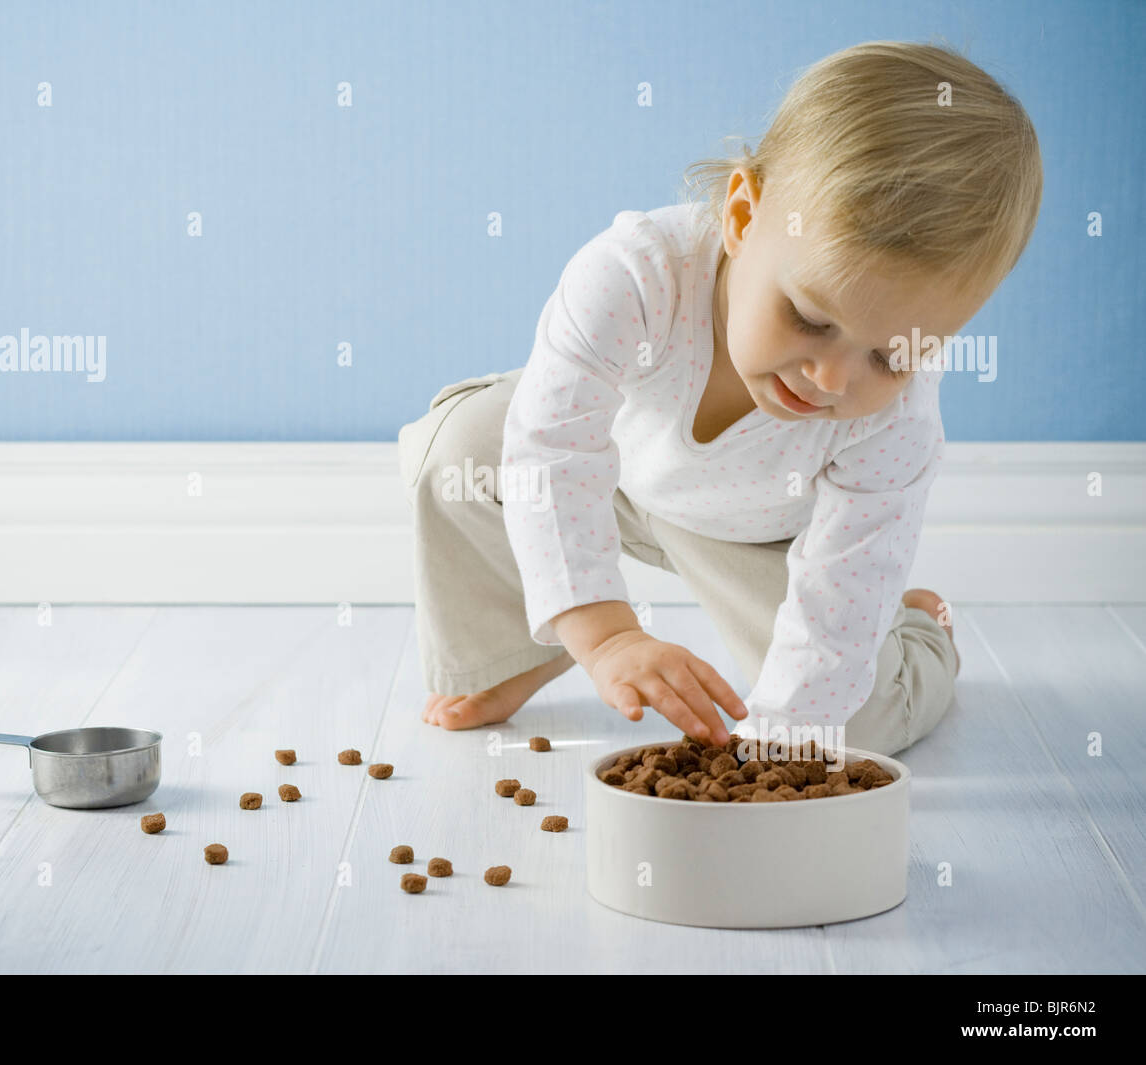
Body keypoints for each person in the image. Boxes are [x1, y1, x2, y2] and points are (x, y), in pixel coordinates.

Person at [397, 40, 1042, 757]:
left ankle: (916, 634)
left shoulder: (898, 421)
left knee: (846, 723)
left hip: (760, 536)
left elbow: (837, 594)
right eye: (810, 319)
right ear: (742, 216)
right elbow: (552, 448)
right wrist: (606, 633)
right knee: (457, 452)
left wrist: (779, 745)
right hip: (615, 475)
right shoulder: (635, 277)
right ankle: (515, 648)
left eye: (892, 356)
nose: (831, 379)